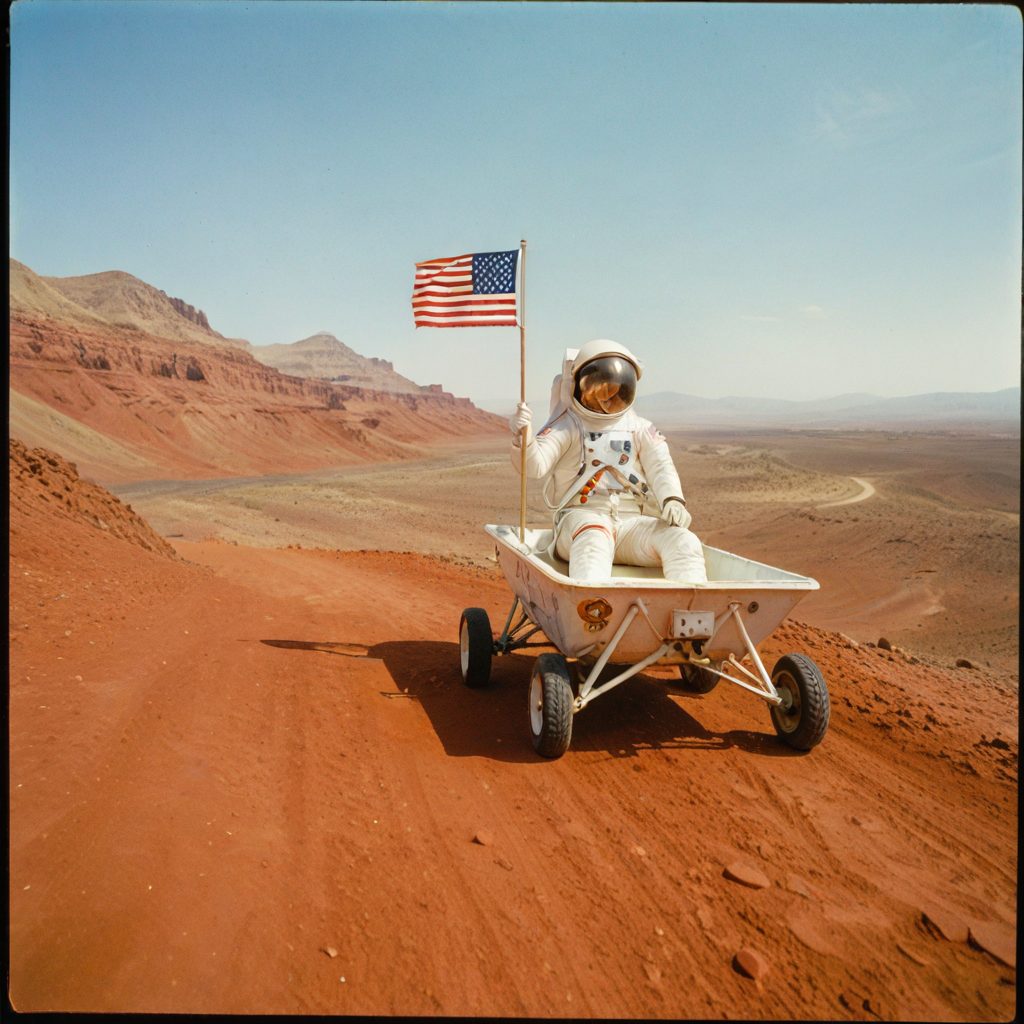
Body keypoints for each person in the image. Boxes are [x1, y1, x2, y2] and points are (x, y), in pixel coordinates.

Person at [510, 339, 708, 584]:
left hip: (630, 526)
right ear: (578, 387)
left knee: (682, 541)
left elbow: (660, 466)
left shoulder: (640, 428)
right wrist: (524, 438)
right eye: (598, 391)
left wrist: (672, 499)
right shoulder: (568, 426)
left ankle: (690, 601)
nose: (607, 400)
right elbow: (535, 466)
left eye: (614, 392)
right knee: (594, 539)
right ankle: (593, 604)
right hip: (579, 521)